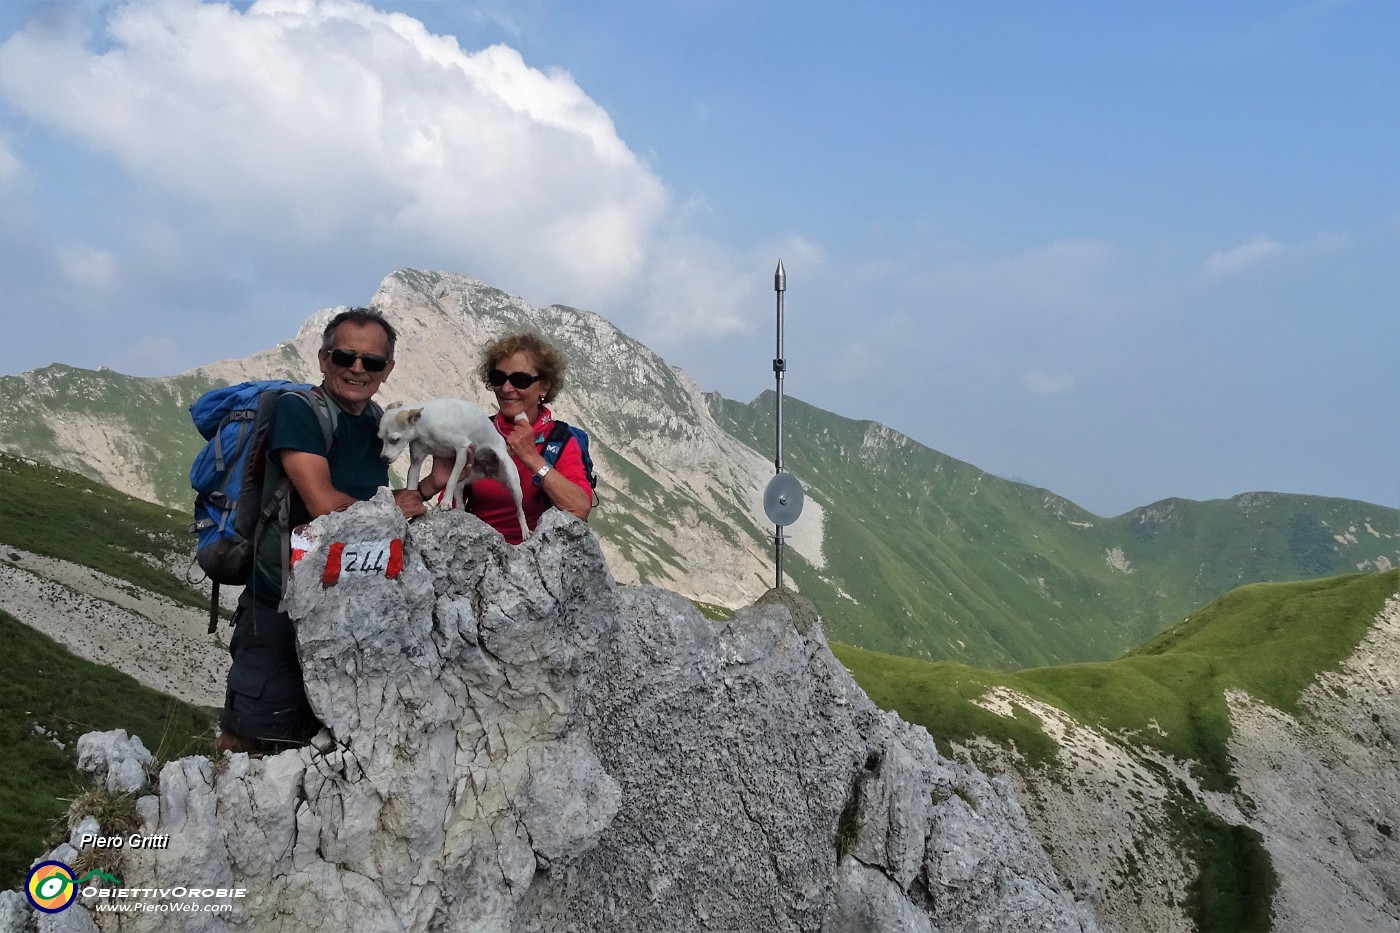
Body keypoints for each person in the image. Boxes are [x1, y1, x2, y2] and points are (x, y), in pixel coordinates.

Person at [216, 307, 427, 753]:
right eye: (344, 356)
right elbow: (324, 506)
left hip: (342, 606)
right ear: (322, 358)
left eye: (371, 362)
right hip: (281, 603)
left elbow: (371, 508)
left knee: (321, 748)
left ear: (387, 370)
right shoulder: (299, 411)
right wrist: (393, 508)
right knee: (250, 738)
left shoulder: (376, 422)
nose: (357, 368)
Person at [419, 332, 592, 544]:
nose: (506, 388)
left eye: (521, 380)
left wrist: (532, 457)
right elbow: (452, 506)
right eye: (498, 378)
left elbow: (580, 508)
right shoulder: (477, 432)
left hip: (538, 561)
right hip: (478, 555)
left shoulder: (560, 440)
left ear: (544, 386)